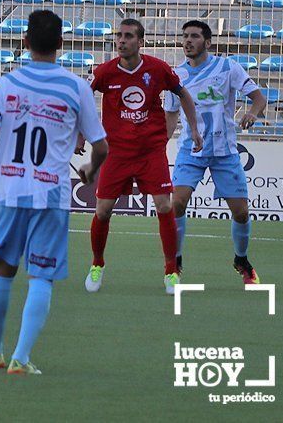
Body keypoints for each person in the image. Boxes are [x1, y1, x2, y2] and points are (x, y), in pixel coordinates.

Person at [0, 10, 108, 374]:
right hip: (51, 194)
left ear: (25, 42)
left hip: (9, 191)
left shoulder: (7, 83)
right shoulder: (76, 87)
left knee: (2, 271)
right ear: (61, 44)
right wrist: (90, 169)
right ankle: (21, 358)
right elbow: (101, 146)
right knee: (41, 276)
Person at [79, 19, 202, 295]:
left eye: (128, 36)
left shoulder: (157, 69)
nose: (121, 41)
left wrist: (194, 128)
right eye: (118, 36)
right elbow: (83, 99)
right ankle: (97, 264)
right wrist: (79, 135)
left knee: (164, 206)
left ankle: (171, 271)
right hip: (116, 153)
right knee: (102, 210)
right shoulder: (105, 72)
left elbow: (183, 94)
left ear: (140, 42)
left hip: (150, 152)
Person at [164, 20, 267, 284]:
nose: (188, 40)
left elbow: (258, 97)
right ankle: (175, 260)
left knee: (241, 212)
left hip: (224, 151)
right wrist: (160, 143)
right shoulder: (175, 76)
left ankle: (241, 259)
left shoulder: (227, 67)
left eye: (195, 36)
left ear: (207, 42)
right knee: (177, 203)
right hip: (191, 149)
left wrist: (252, 112)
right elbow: (171, 115)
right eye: (185, 36)